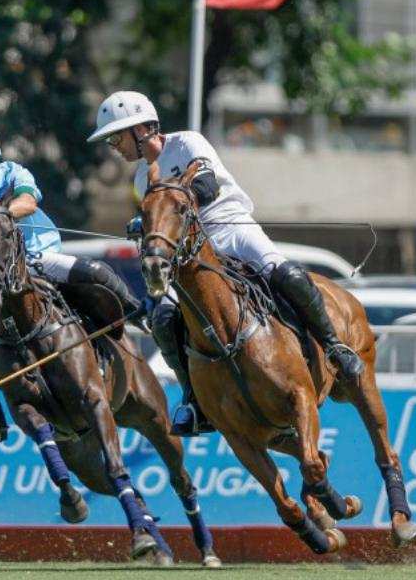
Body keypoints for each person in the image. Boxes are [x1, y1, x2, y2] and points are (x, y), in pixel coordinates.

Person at [86, 92, 364, 436]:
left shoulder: (188, 142)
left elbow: (206, 185)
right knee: (162, 317)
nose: (114, 145)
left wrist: (176, 204)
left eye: (116, 136)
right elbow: (159, 216)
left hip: (231, 228)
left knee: (284, 273)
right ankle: (193, 398)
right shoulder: (142, 179)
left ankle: (335, 348)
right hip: (191, 249)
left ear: (142, 129)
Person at [0, 123, 142, 445]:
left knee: (99, 274)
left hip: (39, 258)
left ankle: (141, 319)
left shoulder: (14, 173)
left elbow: (28, 202)